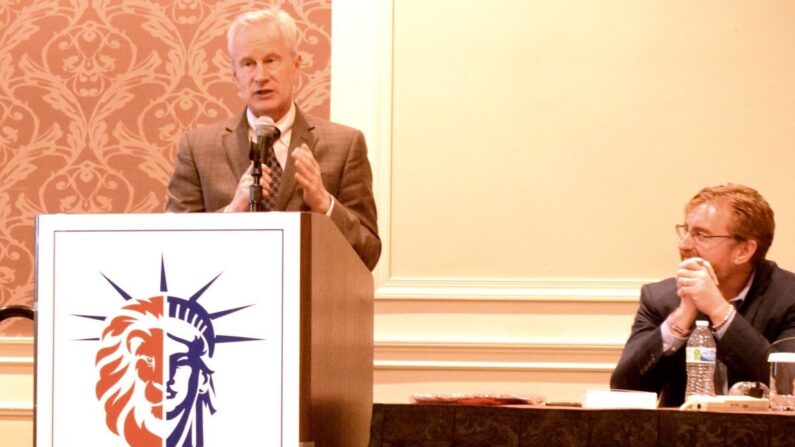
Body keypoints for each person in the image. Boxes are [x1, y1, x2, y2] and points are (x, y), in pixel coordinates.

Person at [166, 8, 381, 270]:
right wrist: (232, 211)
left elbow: (368, 254)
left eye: (271, 60)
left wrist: (325, 204)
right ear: (235, 75)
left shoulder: (345, 144)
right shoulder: (198, 148)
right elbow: (172, 248)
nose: (260, 76)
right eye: (248, 64)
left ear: (296, 64)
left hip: (311, 304)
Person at [611, 184, 795, 407]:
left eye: (701, 235)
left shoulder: (788, 297)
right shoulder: (660, 298)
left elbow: (787, 387)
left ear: (744, 251)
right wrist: (683, 314)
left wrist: (718, 310)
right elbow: (624, 388)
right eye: (686, 230)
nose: (684, 244)